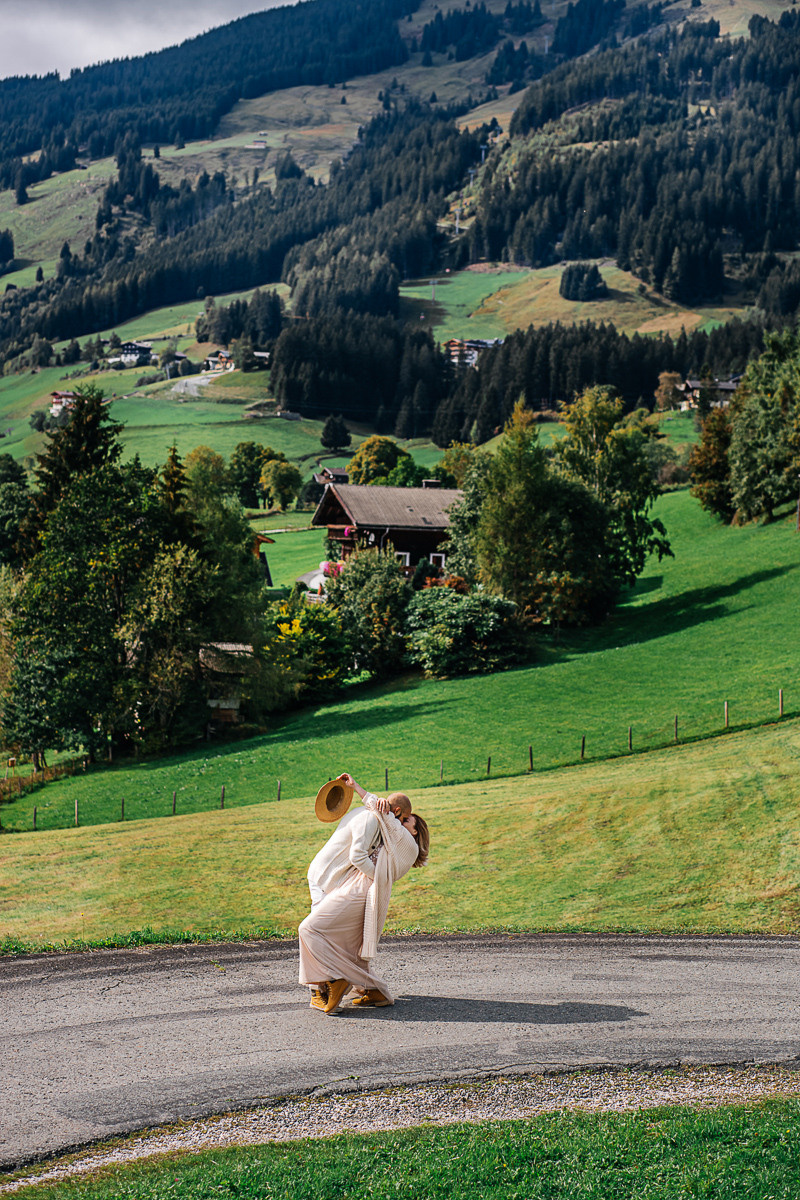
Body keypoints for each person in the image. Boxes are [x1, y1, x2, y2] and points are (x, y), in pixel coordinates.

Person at [299, 772, 429, 1014]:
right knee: (347, 943)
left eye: (408, 821)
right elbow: (384, 817)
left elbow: (384, 822)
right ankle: (371, 991)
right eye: (405, 818)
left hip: (356, 886)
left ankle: (331, 983)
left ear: (414, 831)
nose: (403, 822)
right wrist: (361, 791)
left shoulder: (406, 843)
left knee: (311, 930)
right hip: (338, 881)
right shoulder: (385, 829)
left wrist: (361, 791)